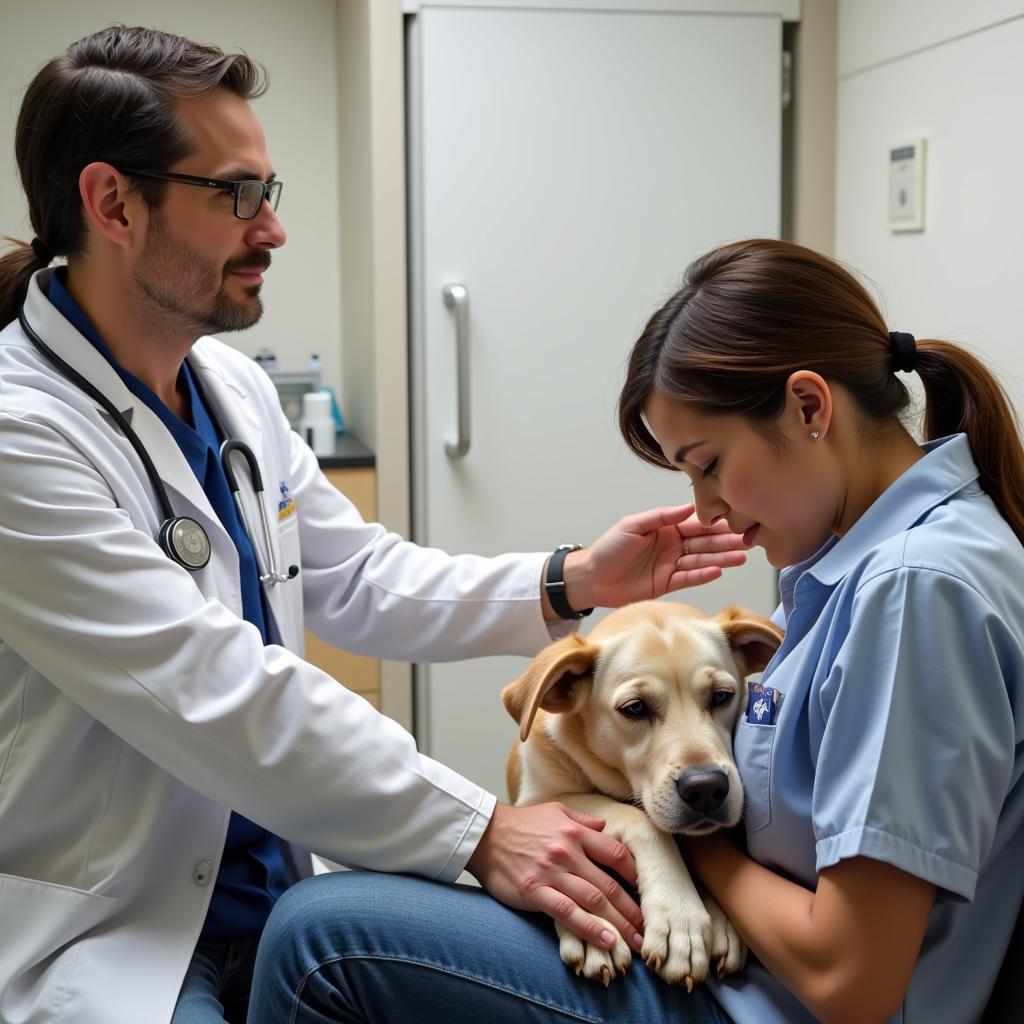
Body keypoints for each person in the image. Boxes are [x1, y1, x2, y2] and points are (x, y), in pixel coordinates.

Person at [0, 26, 751, 1024]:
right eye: (237, 194)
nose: (271, 228)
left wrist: (576, 580)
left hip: (265, 897)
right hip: (117, 930)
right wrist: (486, 829)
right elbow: (216, 688)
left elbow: (358, 580)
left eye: (271, 191)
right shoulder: (21, 436)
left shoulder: (225, 388)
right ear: (112, 203)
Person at [250, 237, 1024, 1024]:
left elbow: (849, 981)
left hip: (760, 1005)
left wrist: (692, 846)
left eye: (709, 463)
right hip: (735, 968)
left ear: (809, 406)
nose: (706, 507)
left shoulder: (914, 588)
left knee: (320, 939)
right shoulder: (855, 566)